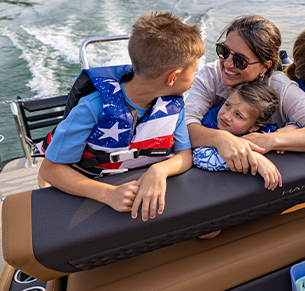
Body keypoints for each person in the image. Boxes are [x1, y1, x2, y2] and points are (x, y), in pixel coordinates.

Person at [38, 11, 204, 221]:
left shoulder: (174, 107)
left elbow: (184, 155)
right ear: (173, 77)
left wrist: (159, 170)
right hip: (93, 192)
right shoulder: (92, 107)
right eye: (194, 71)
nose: (195, 77)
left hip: (139, 184)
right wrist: (107, 194)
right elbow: (50, 170)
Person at [184, 15, 305, 176]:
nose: (227, 64)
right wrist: (220, 139)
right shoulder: (210, 76)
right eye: (224, 51)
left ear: (264, 66)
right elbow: (185, 125)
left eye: (241, 60)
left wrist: (270, 140)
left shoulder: (280, 87)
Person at [194, 82, 298, 191]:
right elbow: (200, 157)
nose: (226, 116)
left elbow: (295, 128)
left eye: (238, 115)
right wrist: (255, 158)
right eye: (227, 105)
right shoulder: (210, 125)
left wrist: (287, 129)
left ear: (254, 127)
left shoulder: (259, 134)